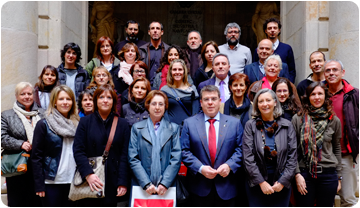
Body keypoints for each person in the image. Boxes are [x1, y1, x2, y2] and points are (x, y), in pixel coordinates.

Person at [181, 85, 243, 206]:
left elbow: (241, 149)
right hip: (199, 187)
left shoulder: (234, 123)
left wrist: (229, 165)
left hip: (227, 187)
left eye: (214, 99)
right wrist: (200, 168)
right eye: (206, 99)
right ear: (201, 102)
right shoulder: (189, 123)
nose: (210, 103)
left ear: (220, 101)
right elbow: (184, 151)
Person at [73, 84, 130, 206]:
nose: (105, 100)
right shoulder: (85, 122)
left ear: (114, 102)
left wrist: (122, 182)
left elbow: (125, 155)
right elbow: (78, 150)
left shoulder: (122, 124)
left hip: (113, 180)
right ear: (95, 100)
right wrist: (88, 174)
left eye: (109, 97)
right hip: (90, 178)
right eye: (101, 97)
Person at [242, 88, 297, 207]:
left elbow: (292, 157)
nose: (265, 104)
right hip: (256, 182)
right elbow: (248, 158)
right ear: (257, 104)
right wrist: (261, 182)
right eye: (261, 101)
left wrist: (283, 182)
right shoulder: (250, 126)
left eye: (268, 100)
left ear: (275, 102)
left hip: (281, 183)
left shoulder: (287, 125)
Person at [292, 82, 342, 207]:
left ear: (325, 96)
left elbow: (337, 148)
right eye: (313, 94)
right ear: (307, 97)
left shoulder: (333, 120)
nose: (317, 97)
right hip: (305, 174)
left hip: (328, 174)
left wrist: (339, 177)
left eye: (320, 93)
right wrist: (297, 174)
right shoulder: (297, 119)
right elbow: (292, 150)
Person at [31, 85, 80, 206]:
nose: (65, 102)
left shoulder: (78, 124)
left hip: (74, 181)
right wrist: (39, 185)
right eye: (61, 99)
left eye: (68, 99)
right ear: (54, 102)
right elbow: (36, 157)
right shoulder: (43, 124)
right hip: (51, 182)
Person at [128, 90, 181, 197]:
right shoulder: (136, 128)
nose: (157, 107)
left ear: (165, 107)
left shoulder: (174, 128)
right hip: (141, 186)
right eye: (154, 103)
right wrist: (146, 183)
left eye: (161, 104)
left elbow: (176, 158)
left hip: (166, 188)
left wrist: (165, 183)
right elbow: (133, 158)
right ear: (148, 106)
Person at [1, 82, 44, 207]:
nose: (27, 97)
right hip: (17, 166)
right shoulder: (6, 115)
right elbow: (2, 137)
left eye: (29, 94)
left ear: (34, 95)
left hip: (39, 165)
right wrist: (20, 144)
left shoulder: (43, 113)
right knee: (17, 201)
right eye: (23, 94)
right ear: (16, 96)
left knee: (37, 201)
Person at [324, 60, 359, 207]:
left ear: (342, 72)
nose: (331, 73)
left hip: (346, 154)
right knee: (325, 200)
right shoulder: (319, 94)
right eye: (328, 70)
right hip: (324, 156)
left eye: (335, 70)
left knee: (348, 199)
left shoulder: (353, 94)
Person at [253, 18, 296, 83]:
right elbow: (255, 68)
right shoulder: (259, 50)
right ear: (265, 31)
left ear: (279, 30)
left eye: (275, 28)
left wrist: (288, 86)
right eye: (269, 28)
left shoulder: (287, 48)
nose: (272, 30)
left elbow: (292, 71)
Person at [161, 59, 200, 128]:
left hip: (189, 129)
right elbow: (164, 113)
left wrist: (190, 126)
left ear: (184, 71)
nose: (177, 72)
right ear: (170, 72)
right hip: (171, 130)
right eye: (174, 69)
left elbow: (195, 112)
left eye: (180, 69)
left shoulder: (192, 89)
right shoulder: (164, 90)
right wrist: (169, 127)